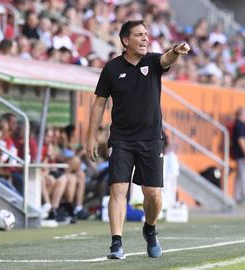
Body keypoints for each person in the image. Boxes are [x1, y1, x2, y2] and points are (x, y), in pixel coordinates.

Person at [86, 20, 190, 259]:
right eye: (139, 35)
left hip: (151, 139)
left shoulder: (153, 61)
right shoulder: (111, 69)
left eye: (146, 34)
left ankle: (150, 229)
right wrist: (90, 137)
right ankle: (116, 242)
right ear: (125, 40)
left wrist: (175, 51)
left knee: (152, 194)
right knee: (118, 189)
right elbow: (99, 103)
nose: (145, 38)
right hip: (121, 139)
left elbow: (166, 59)